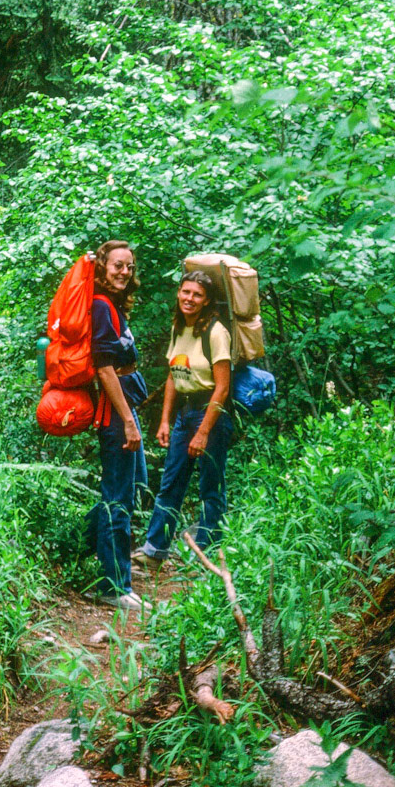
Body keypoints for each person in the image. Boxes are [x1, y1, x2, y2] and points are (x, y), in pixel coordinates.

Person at [135, 270, 234, 571]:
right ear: (178, 293)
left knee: (210, 487)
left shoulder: (216, 332)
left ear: (206, 301)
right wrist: (164, 420)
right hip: (184, 413)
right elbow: (172, 376)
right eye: (186, 292)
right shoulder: (180, 328)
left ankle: (206, 556)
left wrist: (203, 432)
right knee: (171, 484)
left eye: (197, 295)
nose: (189, 299)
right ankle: (154, 552)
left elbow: (223, 387)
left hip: (211, 414)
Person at [86, 240, 150, 610]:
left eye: (128, 266)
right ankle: (113, 587)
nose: (124, 272)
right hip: (115, 411)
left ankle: (92, 552)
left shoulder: (112, 305)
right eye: (117, 266)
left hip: (124, 407)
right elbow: (104, 368)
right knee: (118, 496)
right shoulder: (99, 306)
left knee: (131, 484)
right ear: (102, 267)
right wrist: (127, 421)